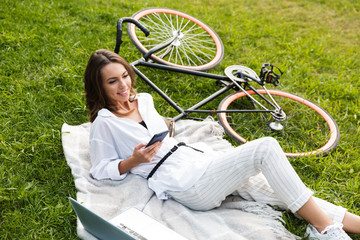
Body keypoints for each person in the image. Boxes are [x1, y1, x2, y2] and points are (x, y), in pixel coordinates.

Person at [84, 49, 359, 240]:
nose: (123, 85)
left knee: (283, 190)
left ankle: (343, 226)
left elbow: (161, 133)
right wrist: (134, 161)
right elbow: (99, 169)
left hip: (201, 162)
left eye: (125, 75)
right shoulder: (104, 123)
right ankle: (325, 230)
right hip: (185, 183)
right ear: (99, 87)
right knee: (265, 148)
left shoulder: (142, 99)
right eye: (112, 81)